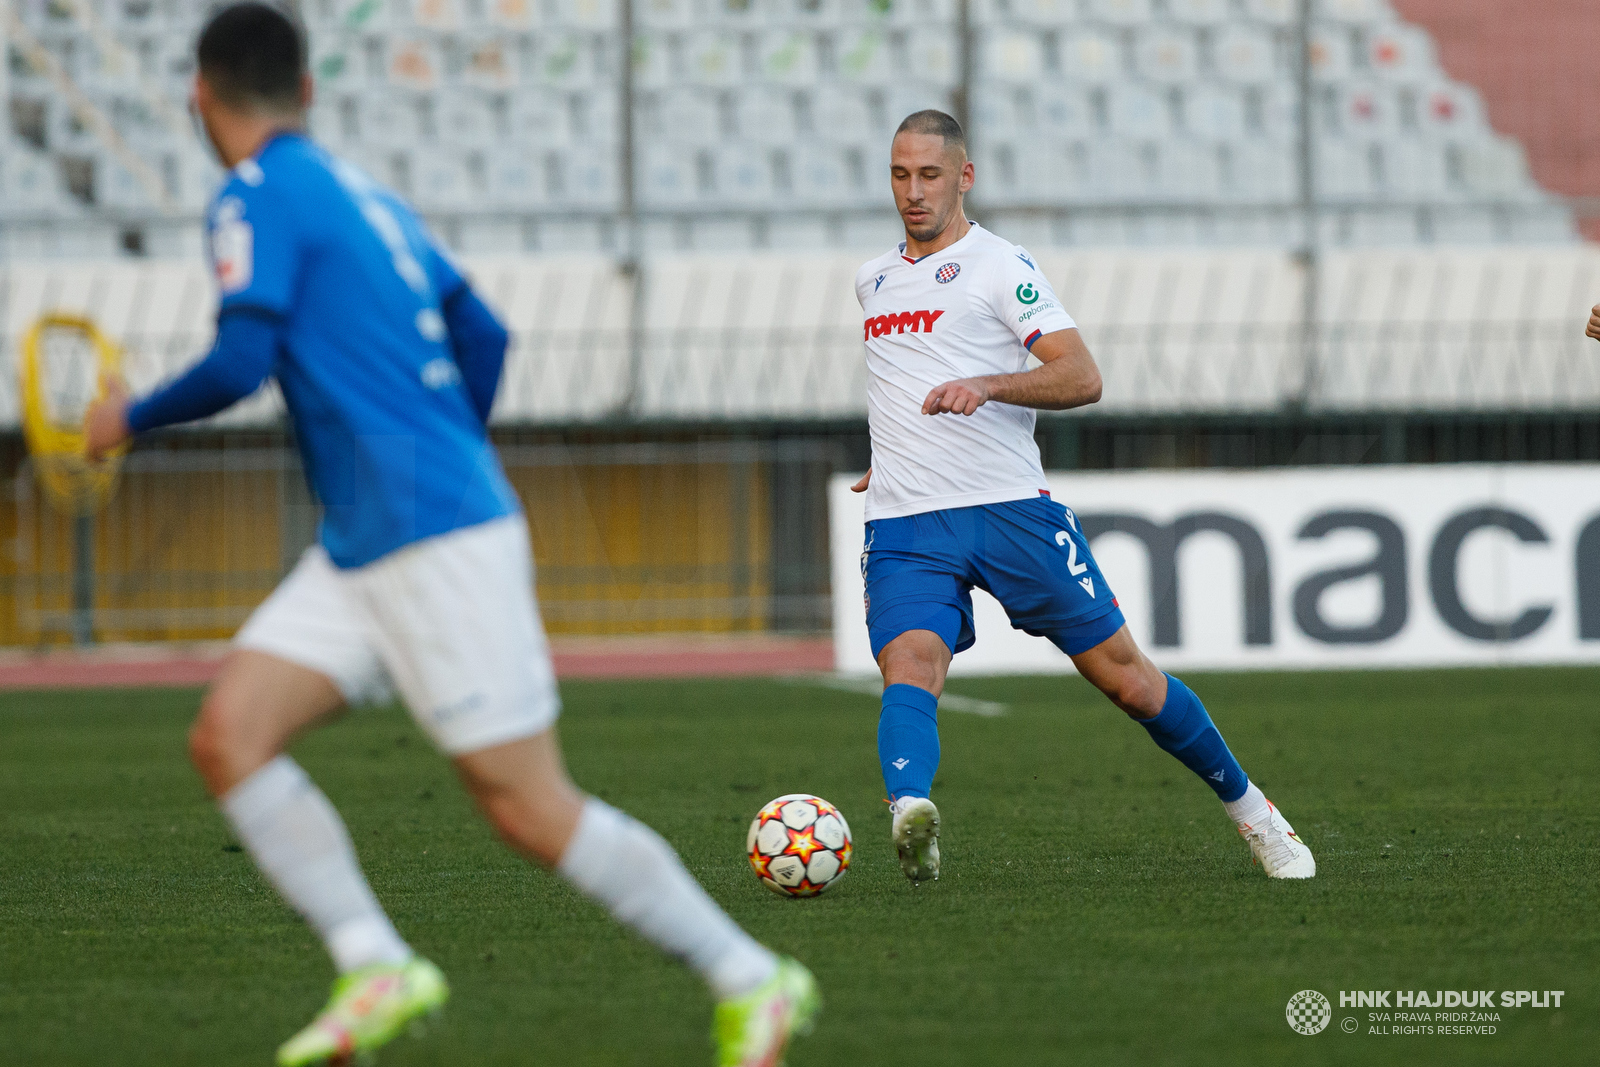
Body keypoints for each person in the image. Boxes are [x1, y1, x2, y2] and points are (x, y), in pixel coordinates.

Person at [84, 5, 816, 1065]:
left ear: (199, 94)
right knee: (228, 735)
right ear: (309, 90)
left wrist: (125, 419)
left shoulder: (251, 197)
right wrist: (434, 447)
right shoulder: (367, 195)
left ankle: (751, 974)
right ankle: (373, 960)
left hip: (429, 540)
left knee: (526, 805)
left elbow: (241, 362)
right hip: (365, 543)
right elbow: (485, 331)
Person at [851, 110, 1315, 885]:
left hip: (1009, 510)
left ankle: (1256, 814)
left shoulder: (1003, 266)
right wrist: (887, 450)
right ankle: (909, 811)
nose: (913, 192)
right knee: (910, 662)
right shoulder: (871, 278)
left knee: (1126, 677)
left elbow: (1081, 375)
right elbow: (901, 378)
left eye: (929, 175)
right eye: (900, 175)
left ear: (964, 176)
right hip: (904, 517)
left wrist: (989, 384)